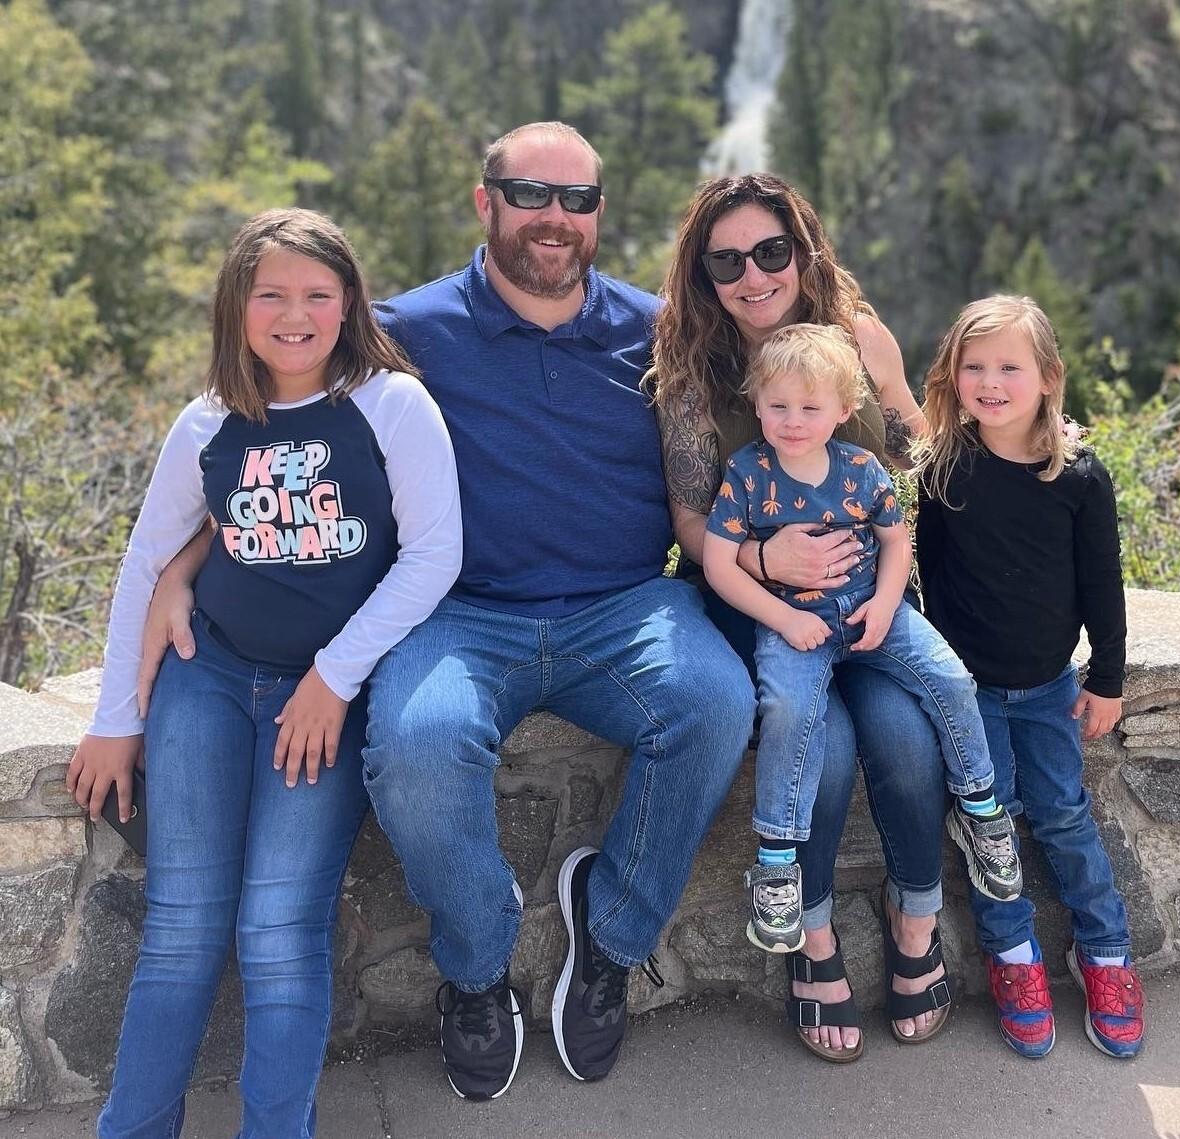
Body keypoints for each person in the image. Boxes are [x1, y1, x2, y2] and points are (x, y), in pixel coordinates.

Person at [136, 122, 754, 1100]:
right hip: (459, 616)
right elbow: (278, 442)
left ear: (599, 214)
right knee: (416, 748)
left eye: (577, 200)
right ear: (486, 202)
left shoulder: (658, 328)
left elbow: (790, 384)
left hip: (628, 607)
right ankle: (475, 970)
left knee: (717, 703)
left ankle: (614, 930)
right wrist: (189, 555)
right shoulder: (407, 333)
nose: (554, 218)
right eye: (530, 193)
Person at [67, 208, 462, 1137]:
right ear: (236, 306)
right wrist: (116, 714)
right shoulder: (208, 420)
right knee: (180, 928)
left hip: (320, 697)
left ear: (349, 303)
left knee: (279, 933)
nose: (295, 314)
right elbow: (146, 558)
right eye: (271, 294)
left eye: (318, 295)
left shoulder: (391, 403)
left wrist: (334, 676)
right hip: (208, 679)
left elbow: (434, 553)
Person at [650, 173, 954, 1059]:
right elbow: (687, 514)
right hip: (759, 606)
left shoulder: (856, 342)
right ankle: (813, 944)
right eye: (727, 260)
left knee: (904, 739)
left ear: (804, 250)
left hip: (871, 601)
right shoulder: (694, 378)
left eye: (771, 251)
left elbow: (923, 458)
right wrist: (764, 558)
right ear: (703, 275)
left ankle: (914, 919)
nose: (753, 275)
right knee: (822, 756)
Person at [703, 322, 1021, 955]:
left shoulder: (860, 468)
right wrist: (783, 616)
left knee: (952, 679)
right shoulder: (748, 472)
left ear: (844, 411)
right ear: (757, 403)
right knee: (790, 712)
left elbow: (895, 540)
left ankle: (982, 809)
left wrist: (883, 603)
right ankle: (777, 862)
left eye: (810, 408)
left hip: (871, 608)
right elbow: (719, 561)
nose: (793, 421)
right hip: (792, 617)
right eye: (778, 406)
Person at [913, 294, 1146, 1060]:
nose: (990, 381)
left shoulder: (1079, 476)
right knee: (991, 827)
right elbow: (933, 575)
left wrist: (1106, 678)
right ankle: (1013, 957)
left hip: (1050, 686)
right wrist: (939, 677)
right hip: (970, 690)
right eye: (974, 366)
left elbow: (1101, 584)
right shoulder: (946, 467)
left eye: (1009, 366)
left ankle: (1105, 952)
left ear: (1048, 377)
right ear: (953, 376)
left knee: (1063, 815)